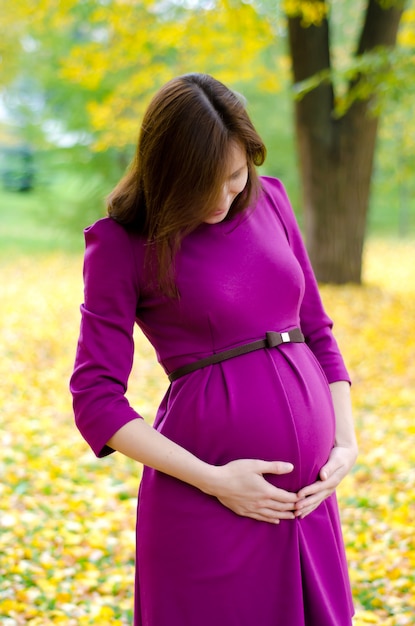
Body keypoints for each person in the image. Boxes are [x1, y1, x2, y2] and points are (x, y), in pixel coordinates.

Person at [70, 73, 358, 626]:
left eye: (235, 175)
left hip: (307, 504)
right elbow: (95, 399)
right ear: (169, 173)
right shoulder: (122, 244)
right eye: (208, 183)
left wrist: (344, 444)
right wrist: (216, 480)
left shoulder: (271, 200)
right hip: (206, 505)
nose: (227, 196)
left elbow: (317, 331)